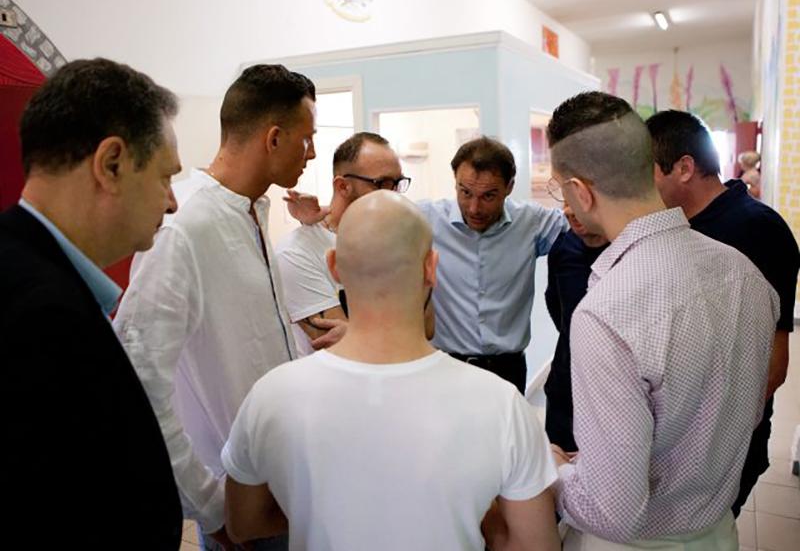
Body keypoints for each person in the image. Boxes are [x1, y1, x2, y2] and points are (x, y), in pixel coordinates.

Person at [222, 191, 561, 551]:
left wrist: (319, 509)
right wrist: (479, 513)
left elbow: (243, 523)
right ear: (431, 267)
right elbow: (536, 546)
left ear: (333, 265)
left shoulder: (272, 395)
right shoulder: (502, 404)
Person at [547, 92, 779, 549]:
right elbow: (746, 410)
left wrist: (555, 471)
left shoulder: (607, 310)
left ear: (580, 192)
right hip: (718, 532)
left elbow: (612, 511)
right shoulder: (743, 273)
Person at [114, 64, 317, 551]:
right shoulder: (184, 227)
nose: (311, 153)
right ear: (273, 138)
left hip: (283, 480)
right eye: (306, 139)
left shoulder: (251, 210)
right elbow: (139, 385)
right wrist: (209, 506)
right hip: (238, 500)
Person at [0, 58, 183, 548]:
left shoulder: (38, 279)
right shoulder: (40, 315)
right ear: (112, 164)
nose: (172, 203)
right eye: (165, 177)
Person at [288, 136, 566, 393]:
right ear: (455, 182)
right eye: (465, 192)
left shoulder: (532, 223)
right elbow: (372, 217)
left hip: (508, 370)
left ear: (509, 187)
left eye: (489, 196)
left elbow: (582, 221)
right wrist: (323, 215)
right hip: (445, 368)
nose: (474, 208)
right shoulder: (426, 218)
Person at [646, 109, 800, 516]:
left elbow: (774, 363)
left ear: (684, 168)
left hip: (724, 441)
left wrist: (712, 436)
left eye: (648, 172)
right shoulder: (673, 227)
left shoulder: (757, 230)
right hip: (675, 435)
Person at [276, 131, 429, 355]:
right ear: (343, 186)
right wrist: (390, 336)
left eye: (397, 184)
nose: (394, 195)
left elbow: (425, 330)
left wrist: (356, 334)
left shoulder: (393, 240)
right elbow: (338, 347)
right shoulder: (296, 252)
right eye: (382, 183)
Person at [541, 198, 608, 452]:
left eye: (577, 200)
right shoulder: (564, 248)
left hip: (609, 393)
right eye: (565, 201)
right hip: (564, 391)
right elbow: (557, 307)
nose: (568, 211)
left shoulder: (631, 250)